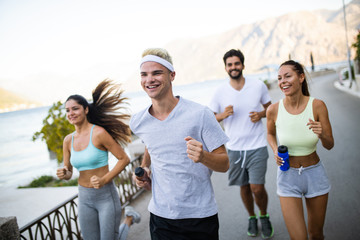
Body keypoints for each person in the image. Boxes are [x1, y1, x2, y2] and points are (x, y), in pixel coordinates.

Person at [130, 48, 229, 240]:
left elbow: (225, 164)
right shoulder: (138, 121)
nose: (149, 79)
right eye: (144, 74)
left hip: (200, 216)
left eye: (157, 73)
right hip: (161, 218)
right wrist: (144, 168)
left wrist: (203, 157)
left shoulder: (200, 114)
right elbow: (151, 144)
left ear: (172, 75)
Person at [56, 79, 141, 240]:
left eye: (75, 108)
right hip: (84, 197)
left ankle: (129, 219)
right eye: (67, 110)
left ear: (86, 110)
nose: (71, 113)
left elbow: (124, 159)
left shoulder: (99, 133)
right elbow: (69, 172)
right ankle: (129, 217)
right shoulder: (68, 140)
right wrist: (64, 173)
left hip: (105, 196)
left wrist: (104, 179)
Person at [209, 49, 274, 239]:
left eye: (236, 63)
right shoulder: (220, 91)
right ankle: (251, 217)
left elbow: (270, 109)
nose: (233, 67)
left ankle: (264, 216)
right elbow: (211, 118)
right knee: (244, 188)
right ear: (226, 68)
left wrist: (260, 114)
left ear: (243, 65)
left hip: (257, 145)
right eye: (229, 65)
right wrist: (223, 115)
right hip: (234, 149)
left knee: (257, 188)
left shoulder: (258, 85)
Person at [266, 60, 334, 240]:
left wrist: (322, 134)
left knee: (316, 234)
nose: (283, 81)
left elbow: (329, 144)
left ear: (301, 77)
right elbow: (270, 134)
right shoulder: (273, 110)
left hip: (315, 175)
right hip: (287, 176)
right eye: (279, 78)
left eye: (288, 76)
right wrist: (274, 149)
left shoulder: (318, 106)